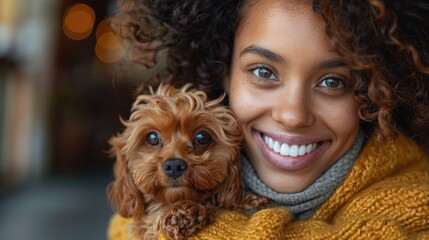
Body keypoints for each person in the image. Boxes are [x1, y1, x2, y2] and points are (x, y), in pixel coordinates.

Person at [108, 0, 429, 239]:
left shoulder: (416, 207)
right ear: (224, 71)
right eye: (264, 72)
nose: (292, 115)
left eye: (333, 81)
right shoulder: (131, 221)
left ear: (375, 91)